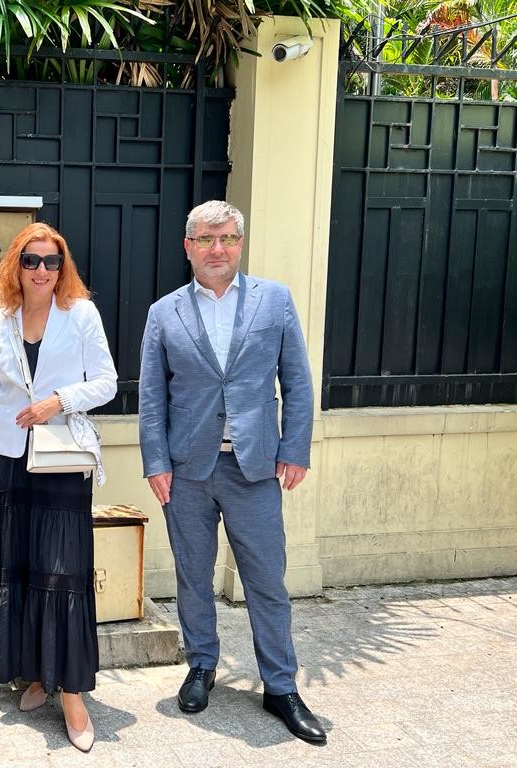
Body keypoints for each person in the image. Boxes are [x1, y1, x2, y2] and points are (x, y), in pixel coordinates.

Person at [138, 200, 326, 744]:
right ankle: (201, 665)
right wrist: (156, 462)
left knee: (266, 580)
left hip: (255, 468)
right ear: (188, 246)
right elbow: (151, 395)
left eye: (226, 238)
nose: (216, 249)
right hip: (187, 471)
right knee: (193, 576)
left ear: (239, 243)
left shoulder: (275, 300)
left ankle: (281, 686)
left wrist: (295, 449)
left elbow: (297, 380)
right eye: (205, 239)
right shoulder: (164, 312)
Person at [0, 222, 117, 753]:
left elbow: (107, 382)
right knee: (22, 568)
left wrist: (59, 400)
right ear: (16, 264)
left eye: (51, 261)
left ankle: (71, 693)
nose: (41, 270)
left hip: (61, 459)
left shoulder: (81, 314)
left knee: (62, 573)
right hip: (9, 459)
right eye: (31, 260)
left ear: (62, 267)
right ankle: (36, 674)